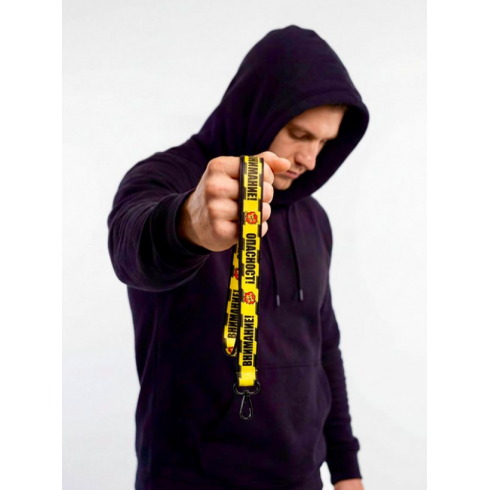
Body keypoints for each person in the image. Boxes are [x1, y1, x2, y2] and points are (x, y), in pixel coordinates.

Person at [108, 25, 369, 490]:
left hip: (301, 479)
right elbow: (130, 248)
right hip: (190, 480)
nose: (310, 159)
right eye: (299, 134)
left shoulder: (313, 217)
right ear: (259, 107)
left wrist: (346, 469)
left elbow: (322, 344)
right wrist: (187, 224)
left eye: (324, 142)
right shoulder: (166, 178)